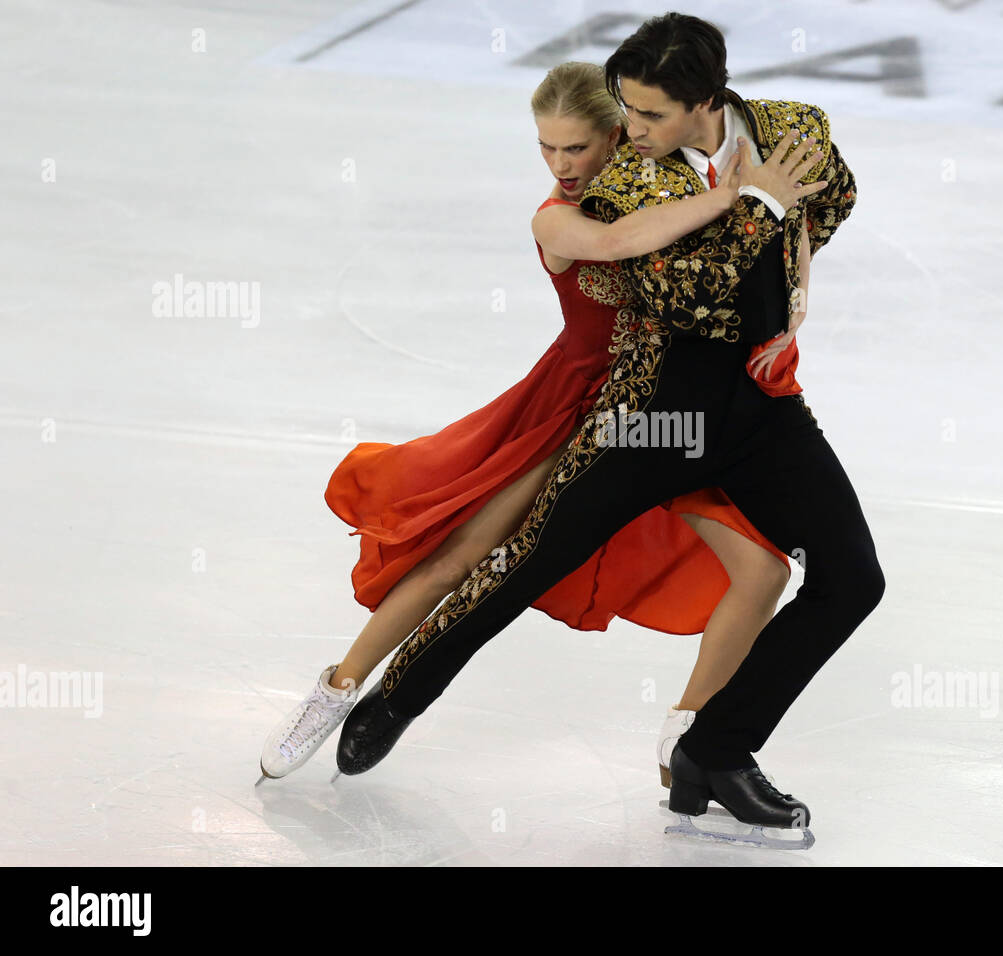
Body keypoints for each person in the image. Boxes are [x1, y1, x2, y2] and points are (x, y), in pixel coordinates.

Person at [337, 12, 885, 847]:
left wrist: (789, 260)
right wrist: (759, 204)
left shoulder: (792, 128)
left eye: (649, 115)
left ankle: (717, 748)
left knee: (853, 578)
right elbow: (687, 296)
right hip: (653, 413)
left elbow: (836, 196)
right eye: (624, 111)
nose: (627, 131)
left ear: (706, 99)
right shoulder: (626, 181)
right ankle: (401, 694)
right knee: (529, 564)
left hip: (761, 410)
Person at [258, 60, 812, 789]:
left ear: (621, 136)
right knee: (465, 555)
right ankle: (337, 689)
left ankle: (691, 737)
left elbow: (777, 245)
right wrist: (740, 196)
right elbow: (621, 243)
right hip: (572, 407)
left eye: (577, 148)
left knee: (763, 568)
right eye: (546, 149)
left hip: (674, 413)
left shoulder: (679, 187)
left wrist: (796, 279)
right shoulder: (559, 217)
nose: (562, 165)